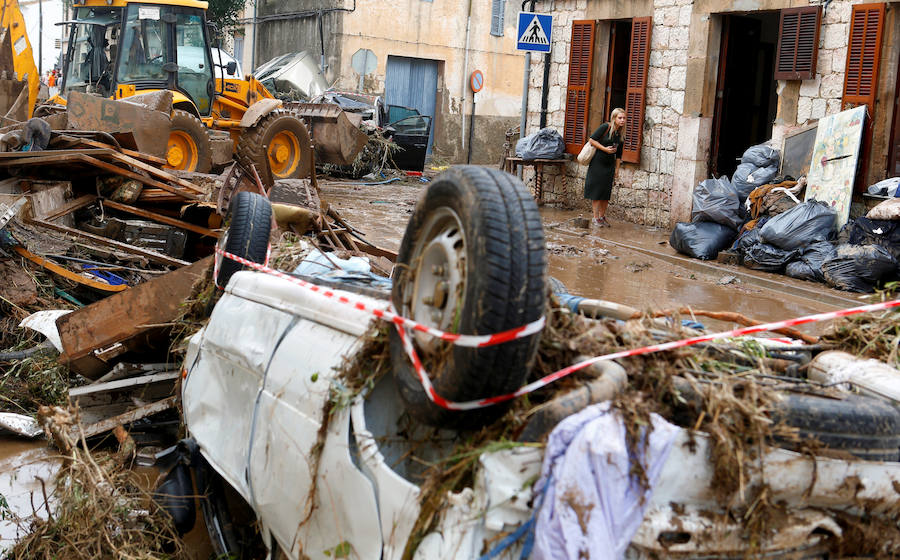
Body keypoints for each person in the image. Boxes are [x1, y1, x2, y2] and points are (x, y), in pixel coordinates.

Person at [584, 108, 625, 227]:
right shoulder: (605, 127)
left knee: (606, 193)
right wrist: (605, 149)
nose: (622, 120)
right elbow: (591, 140)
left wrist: (617, 169)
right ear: (614, 118)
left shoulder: (619, 134)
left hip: (609, 166)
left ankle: (602, 217)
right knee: (596, 192)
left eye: (624, 118)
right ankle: (595, 218)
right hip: (598, 164)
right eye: (620, 118)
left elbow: (619, 154)